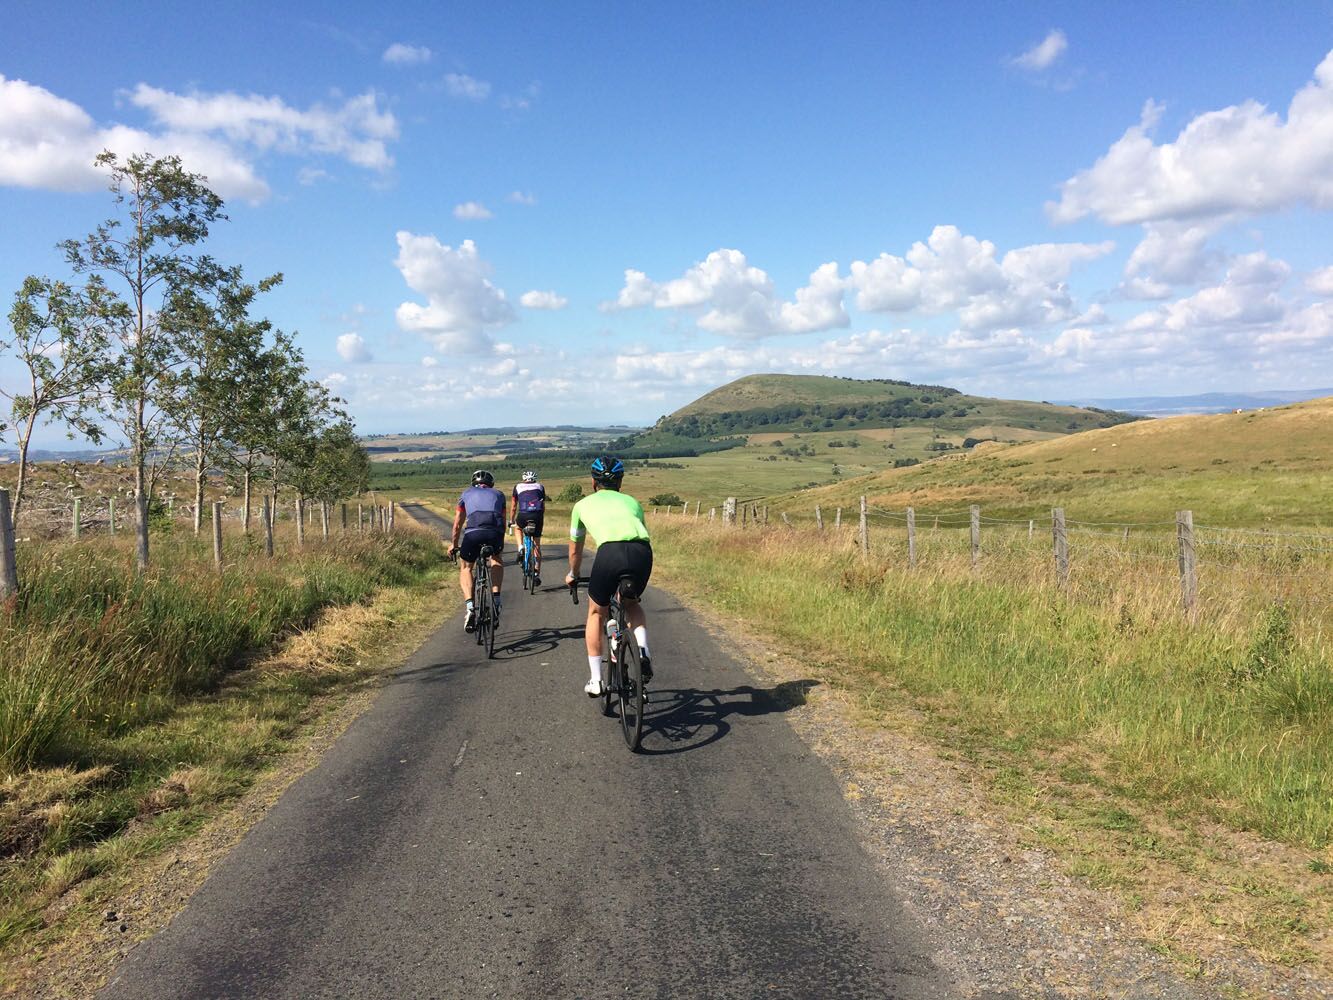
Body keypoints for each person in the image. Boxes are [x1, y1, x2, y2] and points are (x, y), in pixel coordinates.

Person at [564, 456, 653, 697]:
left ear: (594, 482)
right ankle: (643, 651)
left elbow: (575, 549)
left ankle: (596, 680)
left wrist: (573, 574)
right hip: (641, 552)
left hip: (609, 553)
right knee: (631, 603)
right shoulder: (633, 502)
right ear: (620, 482)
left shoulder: (581, 505)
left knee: (596, 612)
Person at [448, 470, 506, 633]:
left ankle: (470, 607)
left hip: (473, 534)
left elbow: (457, 524)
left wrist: (453, 544)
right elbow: (503, 520)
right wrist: (499, 544)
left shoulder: (466, 494)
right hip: (494, 534)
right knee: (496, 560)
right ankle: (496, 599)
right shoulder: (499, 495)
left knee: (466, 567)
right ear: (491, 484)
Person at [510, 469, 547, 586]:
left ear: (523, 479)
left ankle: (521, 547)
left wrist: (511, 520)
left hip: (523, 515)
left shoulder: (517, 487)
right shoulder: (540, 487)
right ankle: (536, 574)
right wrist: (540, 518)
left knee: (517, 527)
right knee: (537, 545)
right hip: (537, 516)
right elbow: (543, 505)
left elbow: (513, 506)